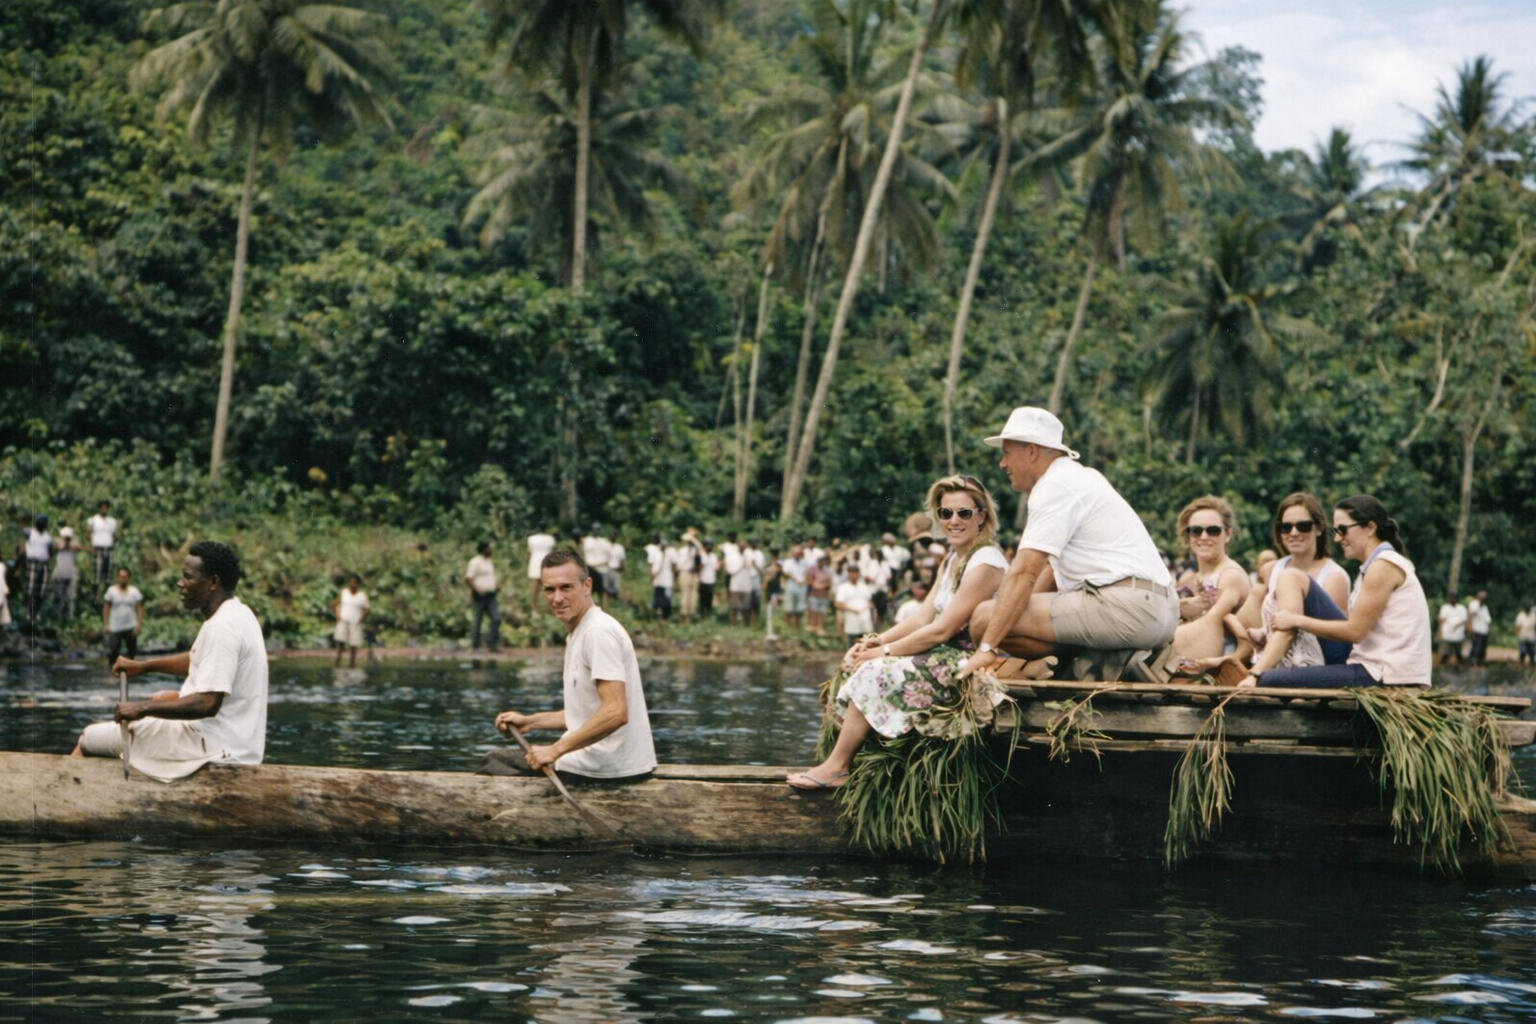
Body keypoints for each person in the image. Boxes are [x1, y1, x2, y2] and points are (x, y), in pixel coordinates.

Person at [788, 474, 1009, 789]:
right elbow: (922, 618)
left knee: (875, 669)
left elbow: (942, 629)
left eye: (964, 513)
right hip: (943, 650)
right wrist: (874, 641)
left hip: (968, 657)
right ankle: (850, 760)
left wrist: (882, 653)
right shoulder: (952, 558)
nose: (954, 521)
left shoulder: (986, 561)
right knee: (860, 661)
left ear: (981, 516)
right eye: (946, 513)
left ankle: (837, 766)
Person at [962, 407, 1178, 680]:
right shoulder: (1083, 476)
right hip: (1160, 612)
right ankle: (1110, 657)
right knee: (1004, 616)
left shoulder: (1054, 486)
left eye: (1006, 453)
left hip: (1128, 609)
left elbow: (1025, 572)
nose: (1002, 464)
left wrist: (987, 647)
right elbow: (1048, 573)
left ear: (1032, 451)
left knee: (983, 619)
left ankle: (1100, 659)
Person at [73, 541, 268, 782]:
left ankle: (58, 793)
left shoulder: (222, 627)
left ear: (213, 582)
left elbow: (208, 703)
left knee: (89, 738)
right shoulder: (239, 613)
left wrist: (140, 708)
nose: (180, 583)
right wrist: (143, 667)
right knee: (162, 698)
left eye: (188, 577)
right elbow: (198, 660)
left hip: (212, 746)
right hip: (234, 743)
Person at [480, 549, 655, 782]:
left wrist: (555, 750)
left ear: (587, 586)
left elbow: (615, 712)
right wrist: (529, 722)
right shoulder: (580, 632)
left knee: (493, 762)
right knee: (499, 759)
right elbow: (582, 714)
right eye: (549, 590)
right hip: (602, 762)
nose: (557, 598)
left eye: (566, 587)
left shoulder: (598, 632)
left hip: (608, 767)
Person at [1260, 495, 1433, 689]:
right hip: (1367, 665)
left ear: (1370, 528)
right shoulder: (1370, 568)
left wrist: (1296, 620)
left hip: (1384, 675)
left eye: (1342, 530)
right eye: (1335, 531)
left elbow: (1355, 632)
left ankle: (1257, 675)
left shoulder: (1384, 565)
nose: (1337, 538)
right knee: (1296, 577)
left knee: (1269, 679)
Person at [1219, 493, 1352, 682]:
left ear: (1319, 529)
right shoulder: (1271, 569)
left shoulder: (1334, 577)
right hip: (1277, 656)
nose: (1294, 533)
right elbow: (1250, 621)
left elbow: (1334, 638)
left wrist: (1256, 672)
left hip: (1319, 663)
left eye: (1303, 526)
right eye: (1286, 527)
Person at [1169, 496, 1251, 662]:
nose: (1204, 536)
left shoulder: (1230, 575)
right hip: (1192, 657)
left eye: (1213, 530)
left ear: (1227, 534)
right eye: (1196, 531)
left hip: (1222, 664)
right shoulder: (1190, 580)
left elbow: (1210, 624)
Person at [101, 568, 144, 665]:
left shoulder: (134, 591)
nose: (122, 579)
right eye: (120, 577)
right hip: (115, 626)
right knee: (113, 651)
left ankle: (131, 669)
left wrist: (138, 624)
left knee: (132, 651)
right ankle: (112, 668)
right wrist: (106, 624)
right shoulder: (112, 591)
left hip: (130, 625)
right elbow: (106, 607)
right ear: (117, 577)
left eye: (125, 577)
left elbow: (139, 608)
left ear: (128, 578)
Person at [465, 541, 500, 653]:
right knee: (477, 621)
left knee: (496, 619)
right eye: (488, 548)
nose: (490, 550)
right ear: (484, 549)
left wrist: (496, 585)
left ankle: (492, 645)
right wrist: (476, 591)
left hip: (491, 595)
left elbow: (491, 576)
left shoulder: (489, 561)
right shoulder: (475, 562)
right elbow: (468, 579)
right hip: (479, 595)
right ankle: (475, 646)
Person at [330, 573, 371, 667]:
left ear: (358, 583)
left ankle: (352, 666)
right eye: (351, 582)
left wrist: (361, 619)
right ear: (348, 583)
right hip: (343, 622)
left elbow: (367, 609)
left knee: (353, 647)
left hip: (355, 623)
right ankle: (336, 666)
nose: (353, 584)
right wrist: (337, 615)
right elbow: (333, 604)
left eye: (355, 582)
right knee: (340, 646)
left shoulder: (362, 595)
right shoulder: (344, 593)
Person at [834, 563, 876, 643]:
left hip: (864, 617)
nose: (854, 575)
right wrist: (852, 609)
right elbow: (838, 604)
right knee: (851, 641)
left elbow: (870, 602)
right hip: (850, 616)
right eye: (852, 572)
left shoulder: (863, 586)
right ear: (848, 574)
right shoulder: (843, 587)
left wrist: (865, 607)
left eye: (856, 572)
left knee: (866, 640)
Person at [23, 515, 51, 622]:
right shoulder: (30, 533)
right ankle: (27, 612)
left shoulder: (47, 537)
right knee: (30, 588)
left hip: (44, 564)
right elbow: (24, 531)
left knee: (42, 589)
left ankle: (37, 612)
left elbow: (50, 550)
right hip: (32, 563)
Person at [526, 523, 557, 618]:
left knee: (534, 590)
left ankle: (534, 611)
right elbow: (554, 553)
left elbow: (529, 554)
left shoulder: (532, 539)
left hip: (535, 565)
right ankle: (548, 611)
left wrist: (528, 563)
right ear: (547, 528)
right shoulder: (551, 539)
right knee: (548, 590)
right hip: (547, 566)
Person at [52, 526, 82, 622]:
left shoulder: (74, 544)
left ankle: (70, 617)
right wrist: (62, 544)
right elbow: (54, 547)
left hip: (71, 573)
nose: (67, 539)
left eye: (68, 537)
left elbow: (78, 547)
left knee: (71, 597)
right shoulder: (58, 543)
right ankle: (58, 616)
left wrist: (68, 544)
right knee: (58, 595)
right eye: (65, 537)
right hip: (59, 572)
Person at [87, 501, 119, 585]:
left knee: (108, 574)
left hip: (109, 549)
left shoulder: (112, 521)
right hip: (98, 549)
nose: (104, 509)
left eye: (106, 507)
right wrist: (94, 542)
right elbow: (88, 535)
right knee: (96, 574)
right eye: (102, 507)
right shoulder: (93, 520)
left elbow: (115, 535)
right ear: (99, 508)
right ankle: (95, 592)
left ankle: (107, 591)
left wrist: (112, 540)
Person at [582, 525, 613, 610]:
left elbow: (609, 554)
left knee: (604, 591)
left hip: (602, 569)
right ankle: (588, 609)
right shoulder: (587, 540)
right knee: (588, 590)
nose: (596, 531)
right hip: (590, 568)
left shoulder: (604, 541)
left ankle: (605, 610)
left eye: (597, 530)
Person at [779, 544, 809, 631]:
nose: (797, 555)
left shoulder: (805, 562)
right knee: (788, 607)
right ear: (792, 553)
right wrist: (796, 579)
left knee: (799, 608)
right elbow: (786, 573)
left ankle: (796, 628)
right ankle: (785, 627)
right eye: (795, 553)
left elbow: (806, 573)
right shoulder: (788, 562)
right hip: (791, 585)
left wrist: (804, 580)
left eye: (799, 553)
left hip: (801, 586)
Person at [672, 531, 700, 624]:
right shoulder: (681, 551)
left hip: (695, 574)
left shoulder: (695, 550)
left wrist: (694, 540)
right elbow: (678, 565)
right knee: (685, 594)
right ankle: (683, 616)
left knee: (694, 595)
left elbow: (700, 549)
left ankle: (690, 617)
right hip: (684, 573)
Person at [645, 533, 674, 620]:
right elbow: (651, 566)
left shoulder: (670, 554)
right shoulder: (655, 553)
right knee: (657, 600)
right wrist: (652, 578)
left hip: (667, 582)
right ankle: (656, 618)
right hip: (658, 581)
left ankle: (665, 618)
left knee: (666, 601)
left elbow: (674, 565)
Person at [1437, 590, 1468, 666]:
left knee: (1458, 652)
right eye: (1451, 597)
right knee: (1446, 652)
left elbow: (1464, 620)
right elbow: (1441, 620)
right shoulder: (1444, 608)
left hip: (1458, 635)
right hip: (1447, 635)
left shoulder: (1461, 608)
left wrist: (1455, 624)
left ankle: (1460, 666)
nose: (1452, 599)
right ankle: (1442, 666)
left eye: (1454, 597)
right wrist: (1440, 632)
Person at [805, 555, 832, 636]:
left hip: (823, 595)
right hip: (813, 594)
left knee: (821, 612)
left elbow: (829, 583)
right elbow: (810, 581)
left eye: (823, 562)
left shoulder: (827, 570)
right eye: (819, 562)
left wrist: (821, 585)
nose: (821, 563)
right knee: (813, 611)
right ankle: (812, 626)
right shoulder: (812, 569)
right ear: (817, 562)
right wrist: (817, 584)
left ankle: (820, 628)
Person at [695, 537, 719, 621]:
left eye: (711, 545)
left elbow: (716, 569)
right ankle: (702, 616)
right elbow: (697, 569)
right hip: (702, 580)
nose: (710, 547)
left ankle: (708, 616)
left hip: (711, 580)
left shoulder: (714, 556)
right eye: (708, 545)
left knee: (709, 600)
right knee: (702, 600)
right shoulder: (701, 555)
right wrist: (697, 580)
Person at [1467, 589, 1491, 667]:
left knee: (1482, 649)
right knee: (1476, 648)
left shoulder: (1485, 607)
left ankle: (1480, 663)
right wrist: (1470, 628)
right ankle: (1473, 663)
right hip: (1476, 630)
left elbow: (1488, 620)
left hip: (1484, 631)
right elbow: (1470, 616)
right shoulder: (1474, 604)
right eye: (1482, 597)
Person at [1516, 602, 1536, 668]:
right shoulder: (1520, 616)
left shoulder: (1533, 615)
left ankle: (1532, 664)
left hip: (1531, 636)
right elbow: (1517, 626)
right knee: (1523, 651)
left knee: (1532, 652)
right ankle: (1521, 663)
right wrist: (1517, 634)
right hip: (1523, 636)